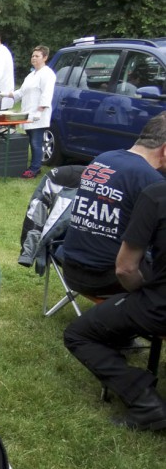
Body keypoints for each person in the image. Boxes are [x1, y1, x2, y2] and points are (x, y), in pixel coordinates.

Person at [64, 179, 166, 430]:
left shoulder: (156, 195)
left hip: (159, 307)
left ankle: (147, 404)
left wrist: (140, 292)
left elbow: (125, 268)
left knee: (78, 334)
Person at [60, 114, 166, 297]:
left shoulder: (103, 158)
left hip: (69, 267)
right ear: (164, 150)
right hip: (107, 278)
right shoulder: (151, 181)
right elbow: (128, 267)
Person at [5, 45, 57, 179]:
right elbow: (21, 92)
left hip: (39, 114)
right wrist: (6, 94)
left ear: (45, 58)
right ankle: (35, 165)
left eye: (37, 56)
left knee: (36, 142)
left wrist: (40, 110)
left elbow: (47, 94)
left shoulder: (47, 74)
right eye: (33, 56)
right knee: (31, 141)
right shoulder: (31, 75)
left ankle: (34, 168)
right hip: (28, 113)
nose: (33, 58)